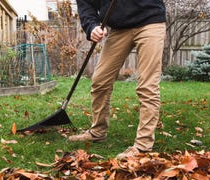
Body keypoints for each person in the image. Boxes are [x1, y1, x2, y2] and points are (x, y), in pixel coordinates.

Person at [69, 0, 167, 159]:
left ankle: (143, 146)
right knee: (100, 80)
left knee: (147, 86)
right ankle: (97, 131)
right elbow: (86, 6)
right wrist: (92, 26)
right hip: (119, 28)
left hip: (150, 21)